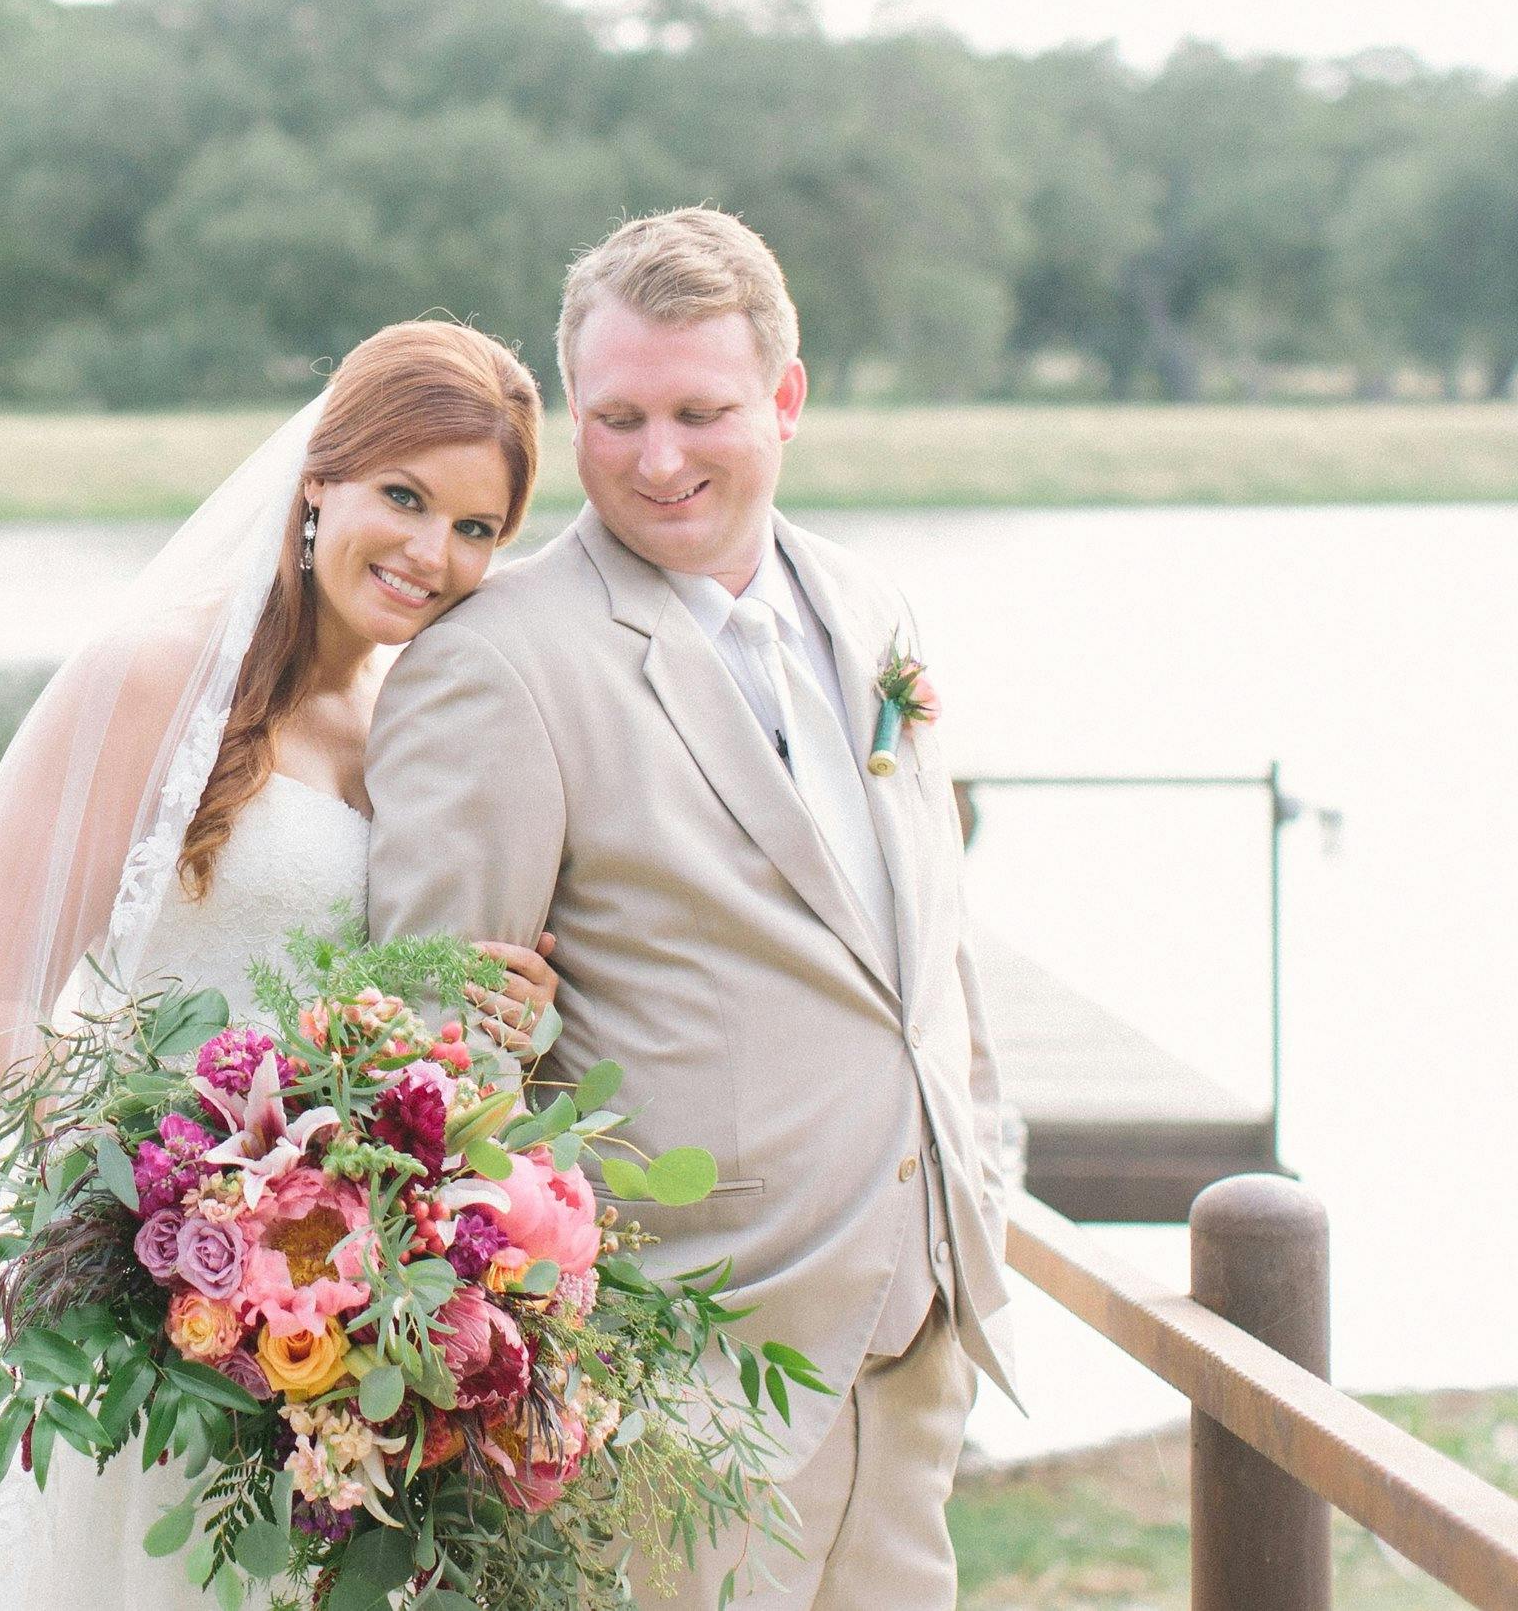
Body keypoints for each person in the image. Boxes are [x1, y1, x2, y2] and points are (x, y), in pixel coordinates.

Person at [0, 316, 561, 1610]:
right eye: (405, 497)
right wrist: (172, 1215)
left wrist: (501, 1010)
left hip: (343, 1319)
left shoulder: (407, 725)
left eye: (476, 528)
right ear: (320, 481)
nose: (433, 552)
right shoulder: (149, 674)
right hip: (163, 1304)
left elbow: (392, 1001)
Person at [367, 208, 1028, 1611]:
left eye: (697, 410)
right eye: (617, 417)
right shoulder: (496, 664)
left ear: (784, 400)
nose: (657, 459)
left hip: (912, 1345)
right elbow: (430, 1062)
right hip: (669, 1378)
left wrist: (983, 1192)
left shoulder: (871, 607)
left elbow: (928, 951)